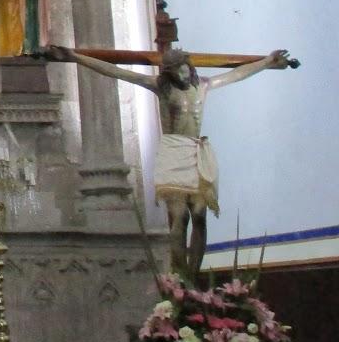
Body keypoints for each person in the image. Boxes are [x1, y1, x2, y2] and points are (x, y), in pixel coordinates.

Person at [45, 42, 293, 280]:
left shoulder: (204, 86)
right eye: (177, 71)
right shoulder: (161, 88)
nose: (183, 74)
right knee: (179, 217)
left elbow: (238, 74)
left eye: (185, 68)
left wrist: (268, 61)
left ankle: (194, 275)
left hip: (197, 151)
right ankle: (180, 273)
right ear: (169, 73)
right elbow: (115, 70)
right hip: (174, 152)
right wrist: (74, 57)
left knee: (199, 215)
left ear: (190, 66)